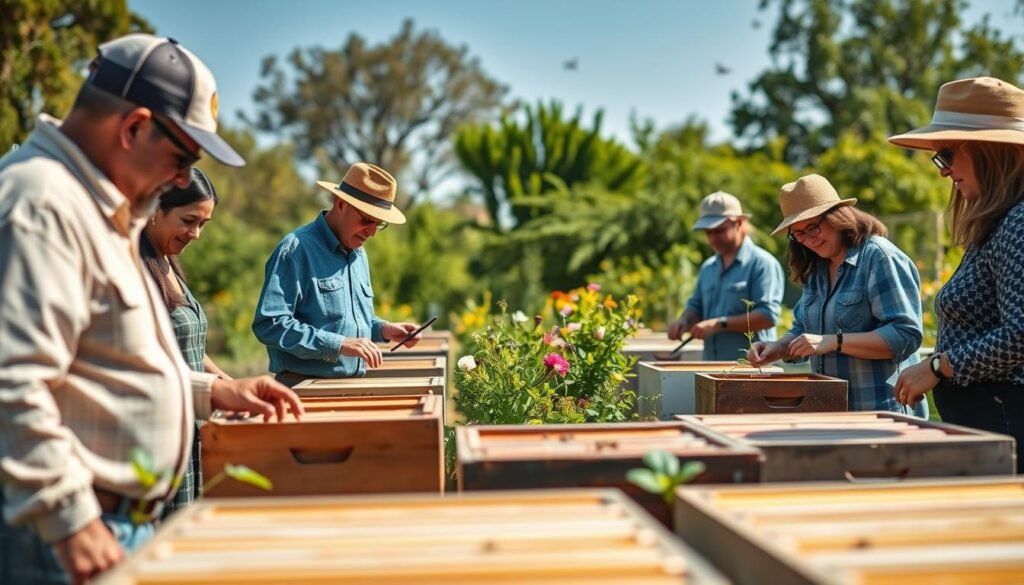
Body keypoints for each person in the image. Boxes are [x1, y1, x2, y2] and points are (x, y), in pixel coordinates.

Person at [0, 34, 303, 585]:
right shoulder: (42, 206)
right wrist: (70, 519)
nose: (184, 179)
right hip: (66, 537)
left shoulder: (97, 210)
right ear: (134, 127)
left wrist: (213, 392)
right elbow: (11, 381)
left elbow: (96, 367)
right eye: (183, 155)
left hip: (104, 525)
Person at [889, 76, 1024, 471]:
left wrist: (937, 366)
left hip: (1005, 424)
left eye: (946, 154)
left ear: (988, 150)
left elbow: (1020, 335)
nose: (943, 171)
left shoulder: (1017, 223)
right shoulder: (999, 223)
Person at [747, 174, 927, 416]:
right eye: (797, 233)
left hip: (881, 413)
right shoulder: (817, 267)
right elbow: (804, 329)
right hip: (831, 411)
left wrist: (834, 341)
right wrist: (777, 347)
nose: (808, 240)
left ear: (837, 216)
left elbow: (905, 335)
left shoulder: (879, 258)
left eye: (812, 227)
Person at [252, 163, 425, 386]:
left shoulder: (358, 253)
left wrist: (383, 329)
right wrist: (338, 344)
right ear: (341, 204)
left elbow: (352, 323)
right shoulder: (296, 249)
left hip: (351, 387)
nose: (372, 232)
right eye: (366, 220)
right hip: (302, 391)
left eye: (379, 224)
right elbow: (270, 324)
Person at [140, 168, 230, 516]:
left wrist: (231, 385)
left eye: (204, 224)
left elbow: (192, 349)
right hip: (160, 434)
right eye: (189, 220)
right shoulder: (134, 270)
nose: (195, 234)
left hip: (193, 422)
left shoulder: (169, 263)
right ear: (155, 211)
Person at [668, 191, 784, 361]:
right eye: (708, 233)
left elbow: (767, 317)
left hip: (753, 369)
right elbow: (696, 307)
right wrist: (684, 322)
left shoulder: (763, 264)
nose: (713, 238)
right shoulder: (708, 268)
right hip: (711, 368)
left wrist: (718, 324)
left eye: (719, 231)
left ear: (738, 223)